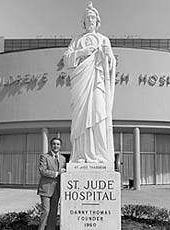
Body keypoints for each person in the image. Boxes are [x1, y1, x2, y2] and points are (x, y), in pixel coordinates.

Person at [63, 2, 116, 163]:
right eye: (88, 17)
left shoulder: (103, 39)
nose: (91, 20)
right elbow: (66, 59)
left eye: (93, 17)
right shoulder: (77, 39)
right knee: (80, 117)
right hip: (81, 84)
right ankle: (81, 155)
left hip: (97, 83)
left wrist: (108, 57)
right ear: (84, 21)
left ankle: (100, 155)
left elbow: (112, 63)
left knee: (99, 113)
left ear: (97, 21)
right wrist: (81, 52)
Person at [37, 137, 66, 230]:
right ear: (51, 145)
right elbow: (42, 171)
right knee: (46, 211)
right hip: (45, 189)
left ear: (60, 146)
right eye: (54, 144)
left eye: (58, 144)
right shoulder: (45, 156)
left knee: (53, 213)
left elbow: (63, 173)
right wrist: (57, 173)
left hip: (57, 190)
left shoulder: (63, 158)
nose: (56, 146)